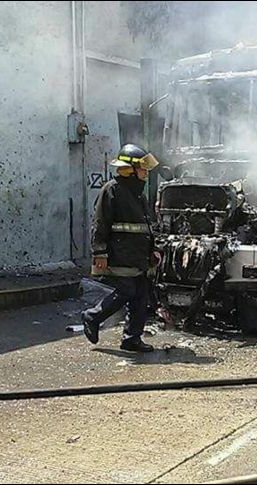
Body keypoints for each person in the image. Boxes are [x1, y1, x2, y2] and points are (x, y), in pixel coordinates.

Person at [81, 144, 159, 353]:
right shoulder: (112, 189)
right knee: (127, 290)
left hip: (138, 255)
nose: (146, 173)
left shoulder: (139, 195)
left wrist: (154, 250)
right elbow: (100, 223)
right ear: (131, 169)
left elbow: (147, 226)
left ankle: (132, 339)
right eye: (143, 168)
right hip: (120, 254)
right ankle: (92, 316)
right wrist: (99, 252)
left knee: (141, 295)